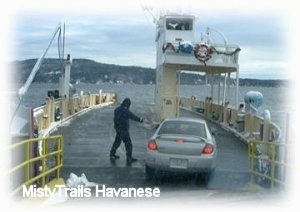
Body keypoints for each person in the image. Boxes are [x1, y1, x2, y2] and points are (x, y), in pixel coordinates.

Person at [109, 98, 144, 165]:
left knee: (117, 142)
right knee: (128, 144)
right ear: (128, 104)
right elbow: (132, 116)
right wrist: (140, 119)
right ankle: (129, 158)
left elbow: (115, 119)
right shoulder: (125, 110)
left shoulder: (116, 109)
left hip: (118, 129)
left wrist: (116, 127)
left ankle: (112, 154)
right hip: (124, 130)